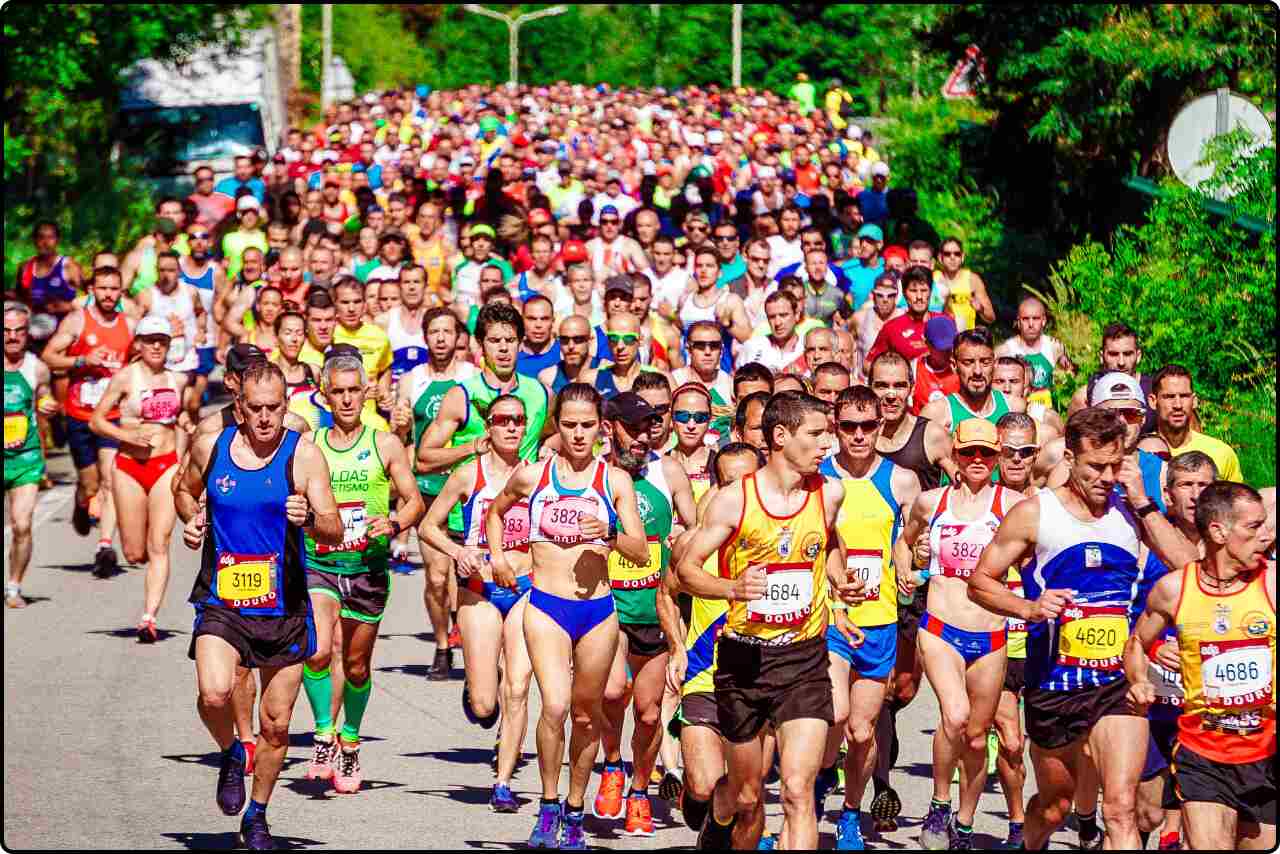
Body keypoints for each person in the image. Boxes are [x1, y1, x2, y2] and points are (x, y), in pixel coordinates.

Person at [966, 406, 1199, 850]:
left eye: (1115, 465)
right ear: (1070, 459)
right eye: (1096, 466)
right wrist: (1029, 608)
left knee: (1120, 809)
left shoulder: (1132, 511)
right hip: (1054, 683)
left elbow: (1192, 570)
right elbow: (979, 582)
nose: (1106, 476)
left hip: (1118, 681)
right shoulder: (1036, 513)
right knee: (1056, 804)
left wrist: (1144, 501)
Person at [676, 391, 859, 851]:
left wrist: (838, 581)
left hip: (804, 658)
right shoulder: (735, 501)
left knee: (799, 791)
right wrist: (731, 589)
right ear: (780, 436)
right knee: (746, 793)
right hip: (744, 659)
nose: (827, 445)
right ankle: (718, 816)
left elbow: (829, 541)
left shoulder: (830, 492)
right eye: (816, 434)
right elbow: (687, 571)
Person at [174, 360, 342, 850]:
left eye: (275, 407)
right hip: (222, 599)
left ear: (286, 406)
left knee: (277, 723)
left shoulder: (304, 455)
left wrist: (310, 517)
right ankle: (230, 752)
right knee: (215, 694)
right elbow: (184, 491)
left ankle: (258, 815)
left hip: (285, 605)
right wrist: (193, 522)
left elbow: (333, 528)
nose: (266, 417)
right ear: (240, 408)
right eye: (256, 408)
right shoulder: (212, 446)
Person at [484, 383, 650, 850]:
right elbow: (495, 513)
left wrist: (611, 531)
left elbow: (639, 552)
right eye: (570, 425)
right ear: (557, 425)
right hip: (546, 606)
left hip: (597, 610)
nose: (579, 435)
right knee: (554, 706)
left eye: (588, 426)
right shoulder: (532, 476)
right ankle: (549, 802)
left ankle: (576, 808)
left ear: (602, 428)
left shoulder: (614, 481)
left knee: (585, 715)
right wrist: (497, 557)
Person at [894, 419, 1024, 849]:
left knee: (975, 736)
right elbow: (904, 542)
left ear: (998, 455)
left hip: (990, 634)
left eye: (987, 454)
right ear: (956, 451)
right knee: (954, 714)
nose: (978, 462)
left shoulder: (1015, 505)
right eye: (969, 453)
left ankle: (965, 823)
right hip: (940, 625)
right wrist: (908, 568)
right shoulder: (933, 502)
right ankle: (939, 802)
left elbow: (1036, 560)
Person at [1124, 481, 1275, 852]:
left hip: (1265, 752)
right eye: (1253, 527)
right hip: (1202, 753)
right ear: (1219, 531)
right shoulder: (1174, 590)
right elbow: (1136, 644)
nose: (1265, 536)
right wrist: (1139, 679)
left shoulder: (1272, 583)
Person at [299, 351, 424, 794]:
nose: (348, 400)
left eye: (355, 391)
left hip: (367, 569)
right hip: (321, 563)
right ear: (325, 394)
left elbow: (413, 500)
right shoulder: (309, 444)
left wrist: (393, 523)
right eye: (339, 392)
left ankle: (350, 740)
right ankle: (322, 734)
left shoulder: (384, 443)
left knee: (354, 665)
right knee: (316, 650)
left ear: (367, 391)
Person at [416, 303, 550, 679]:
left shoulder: (538, 393)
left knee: (516, 646)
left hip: (521, 524)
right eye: (495, 341)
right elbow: (424, 457)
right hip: (467, 518)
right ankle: (450, 651)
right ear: (480, 347)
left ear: (522, 345)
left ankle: (504, 707)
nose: (503, 349)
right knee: (442, 583)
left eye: (510, 340)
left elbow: (552, 434)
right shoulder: (462, 394)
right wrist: (470, 448)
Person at [815, 385, 922, 850]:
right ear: (835, 428)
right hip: (829, 619)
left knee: (861, 732)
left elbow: (913, 540)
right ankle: (820, 773)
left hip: (878, 620)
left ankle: (850, 814)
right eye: (848, 426)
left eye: (868, 426)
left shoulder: (901, 481)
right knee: (834, 715)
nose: (858, 435)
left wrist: (907, 565)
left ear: (882, 427)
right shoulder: (817, 478)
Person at [420, 394, 536, 812]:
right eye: (502, 420)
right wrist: (456, 553)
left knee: (518, 688)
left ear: (525, 426)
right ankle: (477, 682)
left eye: (518, 420)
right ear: (488, 426)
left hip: (527, 588)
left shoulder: (539, 474)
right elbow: (428, 527)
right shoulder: (468, 474)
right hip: (479, 590)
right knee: (487, 701)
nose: (510, 427)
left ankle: (503, 782)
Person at [592, 392, 695, 835]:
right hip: (608, 606)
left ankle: (638, 790)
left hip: (655, 607)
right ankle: (612, 764)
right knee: (614, 692)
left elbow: (695, 525)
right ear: (609, 427)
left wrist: (681, 536)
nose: (642, 436)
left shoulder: (667, 470)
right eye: (632, 428)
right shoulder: (594, 474)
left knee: (651, 713)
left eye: (649, 426)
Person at [665, 442, 765, 839]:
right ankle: (698, 796)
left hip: (762, 677)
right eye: (729, 483)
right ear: (714, 485)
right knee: (706, 783)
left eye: (749, 482)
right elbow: (666, 594)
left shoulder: (781, 535)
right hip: (706, 672)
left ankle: (720, 825)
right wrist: (676, 648)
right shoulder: (697, 539)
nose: (740, 492)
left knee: (743, 793)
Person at [88, 316, 190, 641]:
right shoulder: (124, 378)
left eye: (162, 340)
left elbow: (183, 415)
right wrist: (127, 437)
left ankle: (149, 618)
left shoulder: (179, 380)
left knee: (160, 544)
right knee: (135, 552)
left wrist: (187, 429)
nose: (157, 346)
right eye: (150, 340)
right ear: (139, 344)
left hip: (166, 465)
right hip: (130, 466)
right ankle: (136, 553)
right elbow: (97, 420)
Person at [42, 265, 137, 577]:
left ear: (121, 291)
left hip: (110, 417)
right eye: (103, 288)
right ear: (93, 290)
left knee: (110, 479)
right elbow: (49, 355)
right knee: (91, 483)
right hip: (80, 415)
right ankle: (81, 502)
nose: (109, 294)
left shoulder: (129, 324)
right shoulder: (78, 320)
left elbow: (139, 360)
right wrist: (82, 360)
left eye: (114, 288)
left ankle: (105, 546)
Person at [990, 411, 1038, 849]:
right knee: (1010, 739)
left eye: (1027, 451)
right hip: (999, 634)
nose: (1018, 459)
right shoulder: (982, 503)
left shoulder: (1052, 504)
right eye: (1009, 451)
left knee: (1053, 743)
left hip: (1043, 635)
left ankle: (1077, 815)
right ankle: (1017, 821)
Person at [4, 302, 57, 608]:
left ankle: (13, 586)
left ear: (27, 334)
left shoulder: (37, 368)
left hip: (26, 458)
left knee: (22, 525)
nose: (12, 337)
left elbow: (45, 400)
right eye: (7, 331)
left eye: (18, 331)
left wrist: (48, 404)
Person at [920, 327, 1025, 434]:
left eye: (985, 362)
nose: (977, 371)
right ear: (954, 365)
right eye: (968, 362)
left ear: (995, 364)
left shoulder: (1014, 407)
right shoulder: (936, 414)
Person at [1149, 363, 1243, 482]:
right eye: (1169, 397)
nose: (1177, 405)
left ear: (1194, 401)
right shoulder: (1143, 453)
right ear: (1153, 401)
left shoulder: (1221, 453)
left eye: (1184, 396)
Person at [1067, 322, 1156, 433]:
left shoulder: (1154, 391)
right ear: (1101, 356)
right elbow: (1072, 440)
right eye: (1113, 354)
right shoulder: (1084, 397)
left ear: (1138, 356)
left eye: (1128, 354)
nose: (1121, 362)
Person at [178, 223, 227, 418]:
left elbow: (222, 309)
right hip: (179, 338)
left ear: (210, 241)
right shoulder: (177, 266)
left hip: (206, 338)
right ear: (187, 241)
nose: (199, 242)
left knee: (194, 401)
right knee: (182, 397)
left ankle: (194, 430)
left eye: (204, 237)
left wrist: (222, 343)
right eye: (194, 237)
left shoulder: (216, 271)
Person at [135, 250, 205, 378]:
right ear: (156, 271)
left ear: (179, 271)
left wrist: (200, 331)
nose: (166, 275)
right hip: (157, 360)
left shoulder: (191, 292)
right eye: (162, 270)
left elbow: (200, 312)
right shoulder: (147, 295)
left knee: (188, 396)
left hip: (187, 358)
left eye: (171, 270)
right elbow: (135, 326)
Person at [995, 296, 1073, 409]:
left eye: (1035, 318)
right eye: (1025, 319)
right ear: (1018, 321)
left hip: (1047, 410)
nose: (1031, 324)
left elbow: (1069, 380)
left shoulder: (1054, 347)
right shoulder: (1005, 350)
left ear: (1044, 320)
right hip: (1014, 410)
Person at [10, 221, 81, 341]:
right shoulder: (25, 267)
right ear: (34, 240)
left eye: (50, 237)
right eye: (41, 237)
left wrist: (67, 306)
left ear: (57, 240)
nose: (45, 242)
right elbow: (20, 297)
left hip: (63, 329)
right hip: (34, 323)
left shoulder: (69, 266)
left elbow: (91, 298)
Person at [671, 321, 735, 446]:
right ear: (689, 349)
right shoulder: (674, 381)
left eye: (714, 346)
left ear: (721, 350)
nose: (707, 352)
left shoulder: (731, 384)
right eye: (700, 346)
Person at [865, 267, 941, 365]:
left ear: (930, 292)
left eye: (923, 290)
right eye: (913, 291)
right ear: (904, 294)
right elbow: (868, 364)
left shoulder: (944, 322)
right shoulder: (891, 328)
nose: (919, 297)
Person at [374, 264, 430, 385]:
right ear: (399, 286)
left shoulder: (435, 321)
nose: (411, 287)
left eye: (416, 282)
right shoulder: (383, 321)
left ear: (425, 286)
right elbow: (375, 366)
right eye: (406, 282)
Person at [992, 355, 1064, 442]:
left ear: (1026, 387)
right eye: (999, 382)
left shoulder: (1047, 418)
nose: (1007, 389)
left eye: (1014, 382)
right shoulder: (981, 416)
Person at [739, 291, 807, 375]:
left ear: (797, 315)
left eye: (783, 315)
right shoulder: (752, 347)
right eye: (772, 317)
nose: (777, 323)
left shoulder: (808, 347)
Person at [936, 238, 994, 332]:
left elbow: (991, 318)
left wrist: (980, 309)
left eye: (957, 254)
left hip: (966, 339)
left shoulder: (972, 279)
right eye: (947, 254)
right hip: (940, 336)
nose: (952, 257)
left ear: (962, 257)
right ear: (940, 257)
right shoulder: (933, 278)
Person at [852, 274, 902, 378]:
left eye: (890, 295)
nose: (885, 300)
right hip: (866, 382)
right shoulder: (860, 318)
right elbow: (849, 348)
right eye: (880, 295)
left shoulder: (905, 319)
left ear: (896, 296)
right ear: (872, 295)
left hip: (897, 381)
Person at [911, 315, 960, 415]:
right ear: (927, 344)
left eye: (950, 347)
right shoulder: (914, 368)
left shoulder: (961, 368)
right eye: (940, 348)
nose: (947, 352)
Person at [537, 314, 596, 393]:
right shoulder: (548, 378)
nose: (571, 346)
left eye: (578, 339)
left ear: (590, 341)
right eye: (564, 339)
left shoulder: (605, 370)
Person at [516, 295, 559, 378]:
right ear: (522, 321)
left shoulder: (564, 352)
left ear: (553, 321)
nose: (538, 325)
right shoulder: (510, 354)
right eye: (531, 319)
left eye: (544, 319)